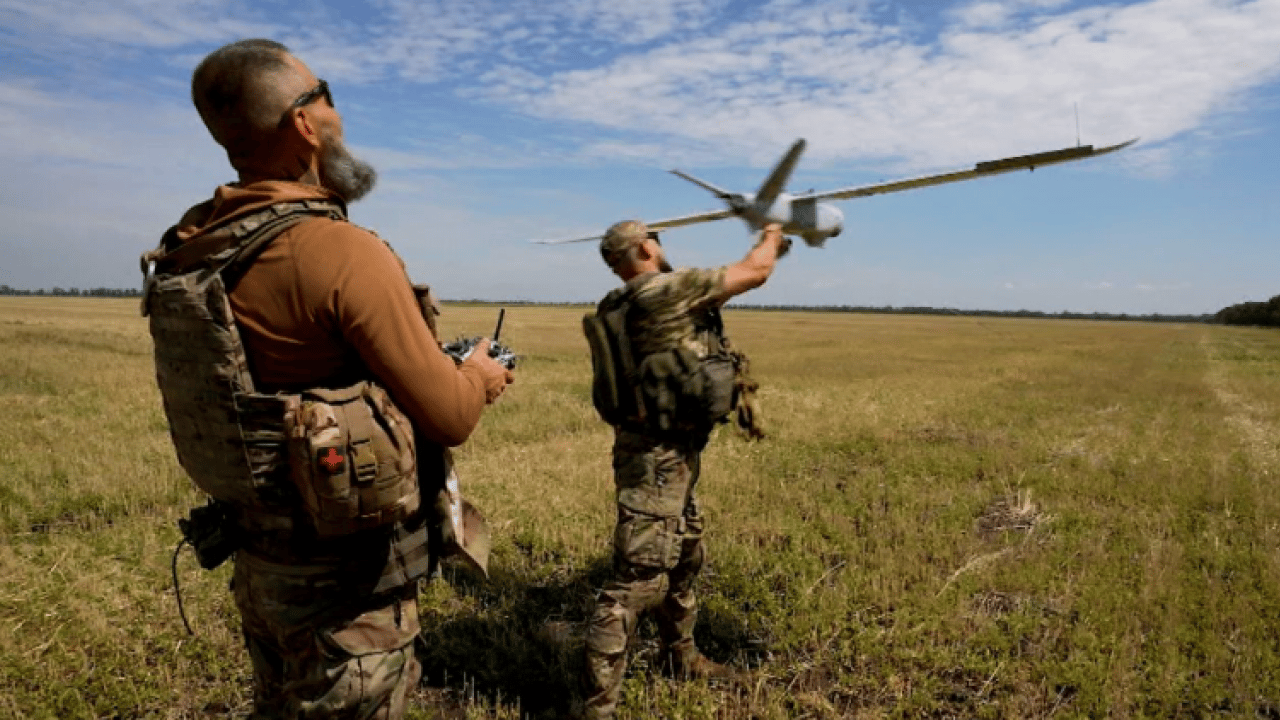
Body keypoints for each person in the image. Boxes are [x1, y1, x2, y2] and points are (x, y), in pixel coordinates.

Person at [145, 39, 512, 718]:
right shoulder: (339, 250)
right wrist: (479, 374)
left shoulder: (197, 245)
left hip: (264, 567)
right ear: (304, 122)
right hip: (350, 596)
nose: (341, 114)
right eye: (328, 94)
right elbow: (451, 416)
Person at [577, 219, 789, 719]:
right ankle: (596, 707)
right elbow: (755, 271)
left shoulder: (619, 303)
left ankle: (682, 657)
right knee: (635, 581)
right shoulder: (668, 290)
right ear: (646, 247)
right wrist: (774, 230)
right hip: (657, 459)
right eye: (656, 239)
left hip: (667, 451)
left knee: (686, 555)